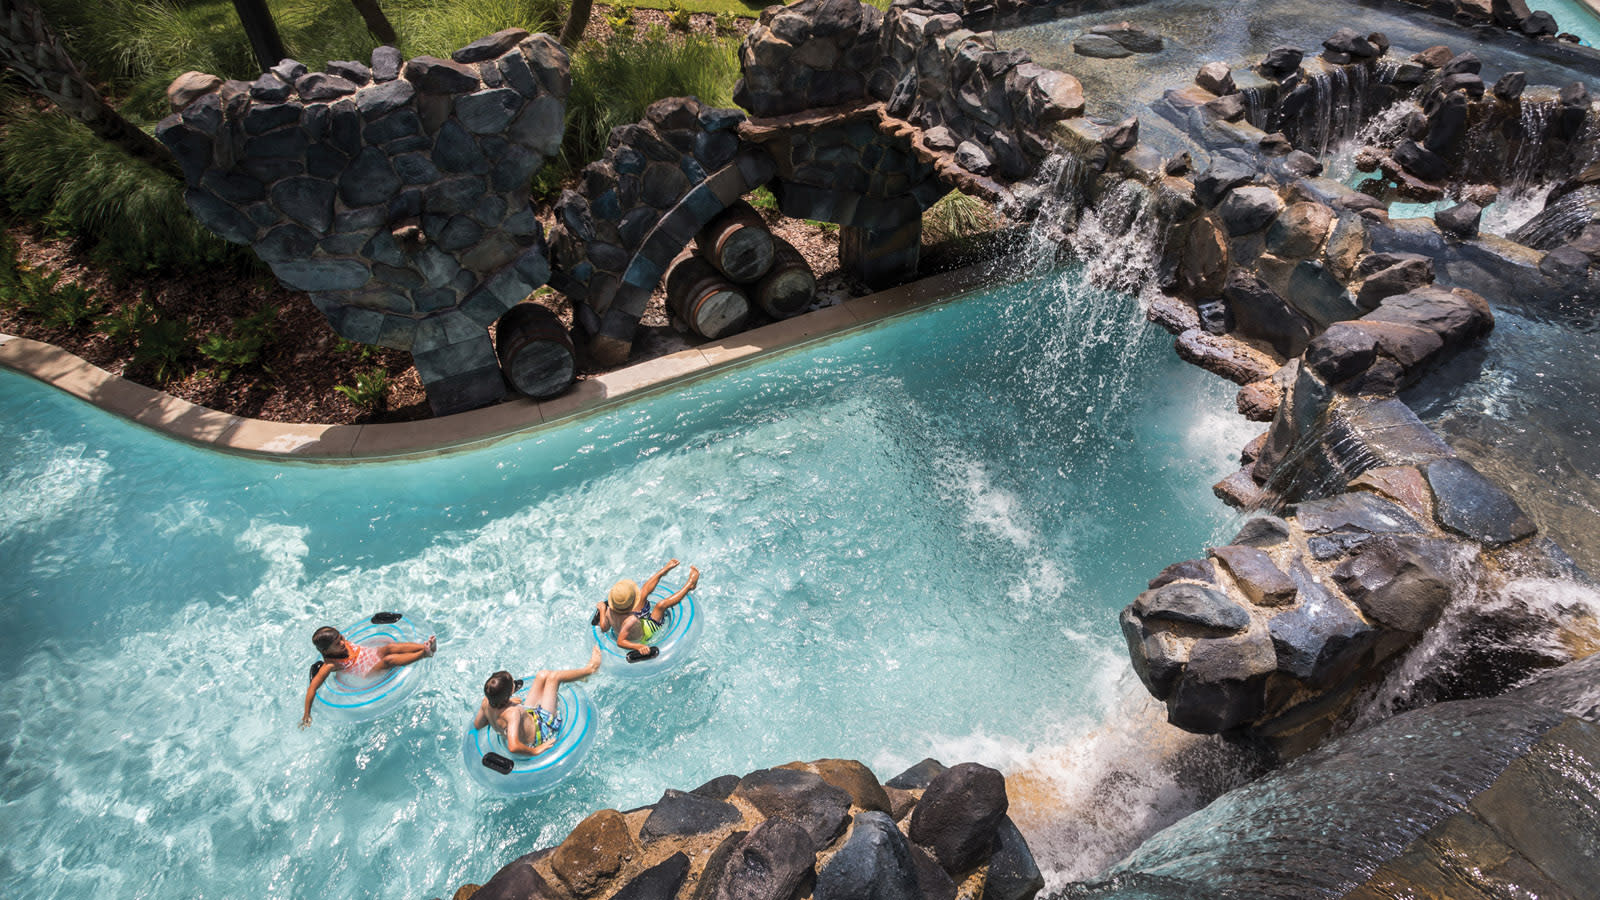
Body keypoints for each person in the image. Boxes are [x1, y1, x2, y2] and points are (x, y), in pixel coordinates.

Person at [474, 647, 602, 756]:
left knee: (542, 675)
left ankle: (582, 677)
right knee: (554, 677)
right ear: (509, 693)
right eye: (513, 684)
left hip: (530, 715)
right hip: (541, 730)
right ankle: (591, 670)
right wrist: (535, 750)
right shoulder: (512, 714)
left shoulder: (486, 702)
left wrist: (501, 709)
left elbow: (478, 724)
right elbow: (513, 747)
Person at [301, 625, 435, 728]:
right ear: (326, 651)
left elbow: (337, 636)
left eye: (341, 638)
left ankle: (424, 646)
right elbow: (312, 688)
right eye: (337, 644)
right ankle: (424, 654)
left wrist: (338, 639)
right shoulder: (330, 665)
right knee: (388, 660)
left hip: (373, 654)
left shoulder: (341, 642)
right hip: (368, 672)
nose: (342, 643)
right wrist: (307, 714)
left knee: (389, 647)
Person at [594, 558, 700, 659]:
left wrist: (602, 610)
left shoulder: (609, 610)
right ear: (630, 606)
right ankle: (689, 586)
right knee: (661, 605)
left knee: (643, 592)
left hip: (634, 624)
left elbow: (604, 628)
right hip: (646, 633)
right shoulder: (631, 620)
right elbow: (620, 642)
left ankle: (664, 570)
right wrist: (638, 647)